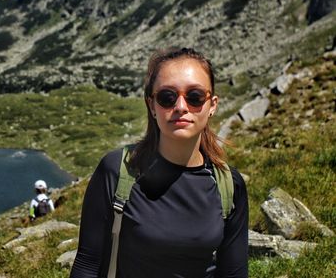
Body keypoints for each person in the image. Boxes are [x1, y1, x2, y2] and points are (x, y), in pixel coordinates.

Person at [70, 47, 248, 278]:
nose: (181, 107)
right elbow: (87, 264)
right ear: (152, 106)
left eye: (194, 97)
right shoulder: (118, 170)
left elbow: (234, 274)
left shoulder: (229, 185)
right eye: (167, 97)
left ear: (212, 105)